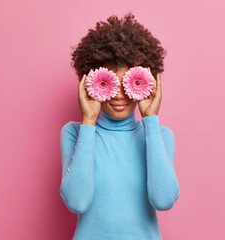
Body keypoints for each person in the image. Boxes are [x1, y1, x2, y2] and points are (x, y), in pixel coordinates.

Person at [60, 12, 180, 240]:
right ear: (91, 80)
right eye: (110, 82)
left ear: (148, 82)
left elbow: (163, 200)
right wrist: (88, 121)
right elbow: (77, 201)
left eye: (130, 83)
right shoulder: (74, 133)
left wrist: (151, 119)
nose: (120, 95)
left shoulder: (161, 135)